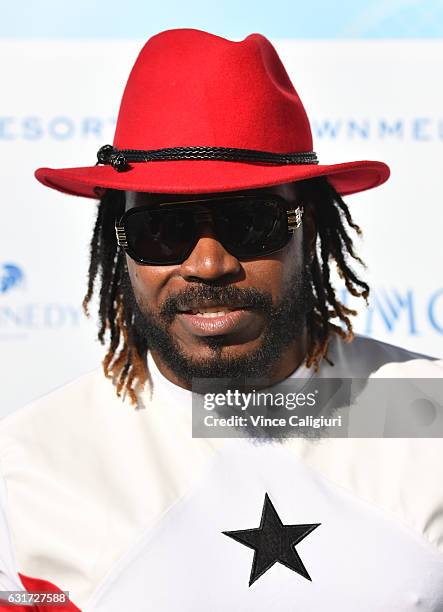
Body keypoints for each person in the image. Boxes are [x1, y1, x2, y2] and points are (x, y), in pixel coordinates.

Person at [1, 28, 442, 611]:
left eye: (251, 222)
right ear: (119, 247)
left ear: (309, 229)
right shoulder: (29, 464)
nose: (209, 265)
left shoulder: (427, 413)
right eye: (163, 230)